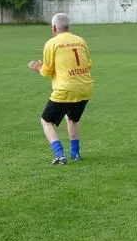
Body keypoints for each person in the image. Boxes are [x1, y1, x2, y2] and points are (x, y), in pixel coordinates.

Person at [29, 12, 93, 165]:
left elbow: (47, 71)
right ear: (68, 26)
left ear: (54, 27)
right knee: (72, 119)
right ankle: (75, 154)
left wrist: (38, 67)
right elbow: (88, 64)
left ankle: (59, 155)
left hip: (65, 89)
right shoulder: (80, 41)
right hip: (85, 87)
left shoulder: (52, 43)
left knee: (46, 121)